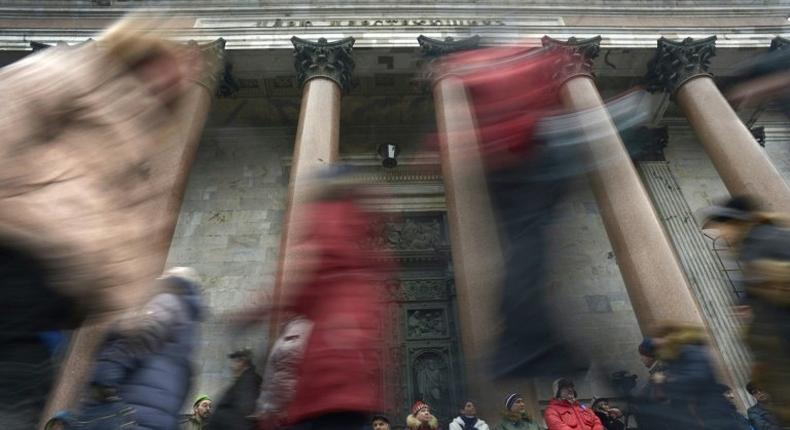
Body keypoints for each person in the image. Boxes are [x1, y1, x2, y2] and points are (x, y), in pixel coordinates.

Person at [0, 15, 205, 428]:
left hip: (48, 305)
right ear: (135, 53)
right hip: (12, 257)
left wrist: (131, 310)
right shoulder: (69, 72)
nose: (170, 81)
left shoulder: (139, 150)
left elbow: (127, 246)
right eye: (162, 65)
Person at [231, 166, 392, 430]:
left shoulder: (328, 228)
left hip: (325, 383)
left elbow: (301, 294)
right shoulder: (364, 245)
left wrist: (257, 310)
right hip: (355, 386)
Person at [74, 267, 206, 430]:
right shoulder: (190, 332)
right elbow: (186, 382)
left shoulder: (167, 302)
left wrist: (102, 382)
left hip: (128, 413)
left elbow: (133, 340)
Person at [702, 196, 790, 425]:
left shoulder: (764, 242)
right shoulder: (757, 244)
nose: (722, 234)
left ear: (735, 222)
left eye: (721, 225)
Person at [650, 325, 743, 430]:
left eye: (657, 338)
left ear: (668, 336)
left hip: (711, 410)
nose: (654, 342)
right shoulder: (673, 360)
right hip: (695, 415)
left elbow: (699, 377)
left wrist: (666, 379)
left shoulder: (689, 350)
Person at [207, 349, 262, 430]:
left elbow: (246, 408)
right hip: (235, 421)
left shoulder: (248, 379)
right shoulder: (244, 378)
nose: (231, 364)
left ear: (242, 362)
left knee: (219, 415)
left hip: (240, 423)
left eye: (234, 360)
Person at [631, 338, 670, 430]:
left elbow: (644, 395)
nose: (641, 359)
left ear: (650, 355)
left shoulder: (660, 371)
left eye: (642, 355)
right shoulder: (658, 370)